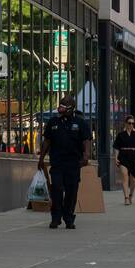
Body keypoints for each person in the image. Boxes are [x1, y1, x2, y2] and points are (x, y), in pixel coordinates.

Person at [37, 93, 93, 229]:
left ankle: (68, 217)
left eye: (64, 105)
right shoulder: (53, 122)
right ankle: (55, 218)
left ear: (71, 108)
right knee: (56, 188)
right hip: (57, 162)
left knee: (71, 191)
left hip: (74, 163)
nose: (61, 108)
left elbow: (86, 140)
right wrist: (41, 158)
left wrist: (86, 155)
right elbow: (47, 141)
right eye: (60, 105)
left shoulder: (80, 123)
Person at [113, 115, 135, 205]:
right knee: (125, 177)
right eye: (129, 123)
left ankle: (130, 195)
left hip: (133, 157)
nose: (131, 125)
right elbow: (117, 147)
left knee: (134, 180)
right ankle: (126, 197)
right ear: (126, 124)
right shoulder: (120, 135)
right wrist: (116, 157)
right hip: (123, 156)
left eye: (133, 123)